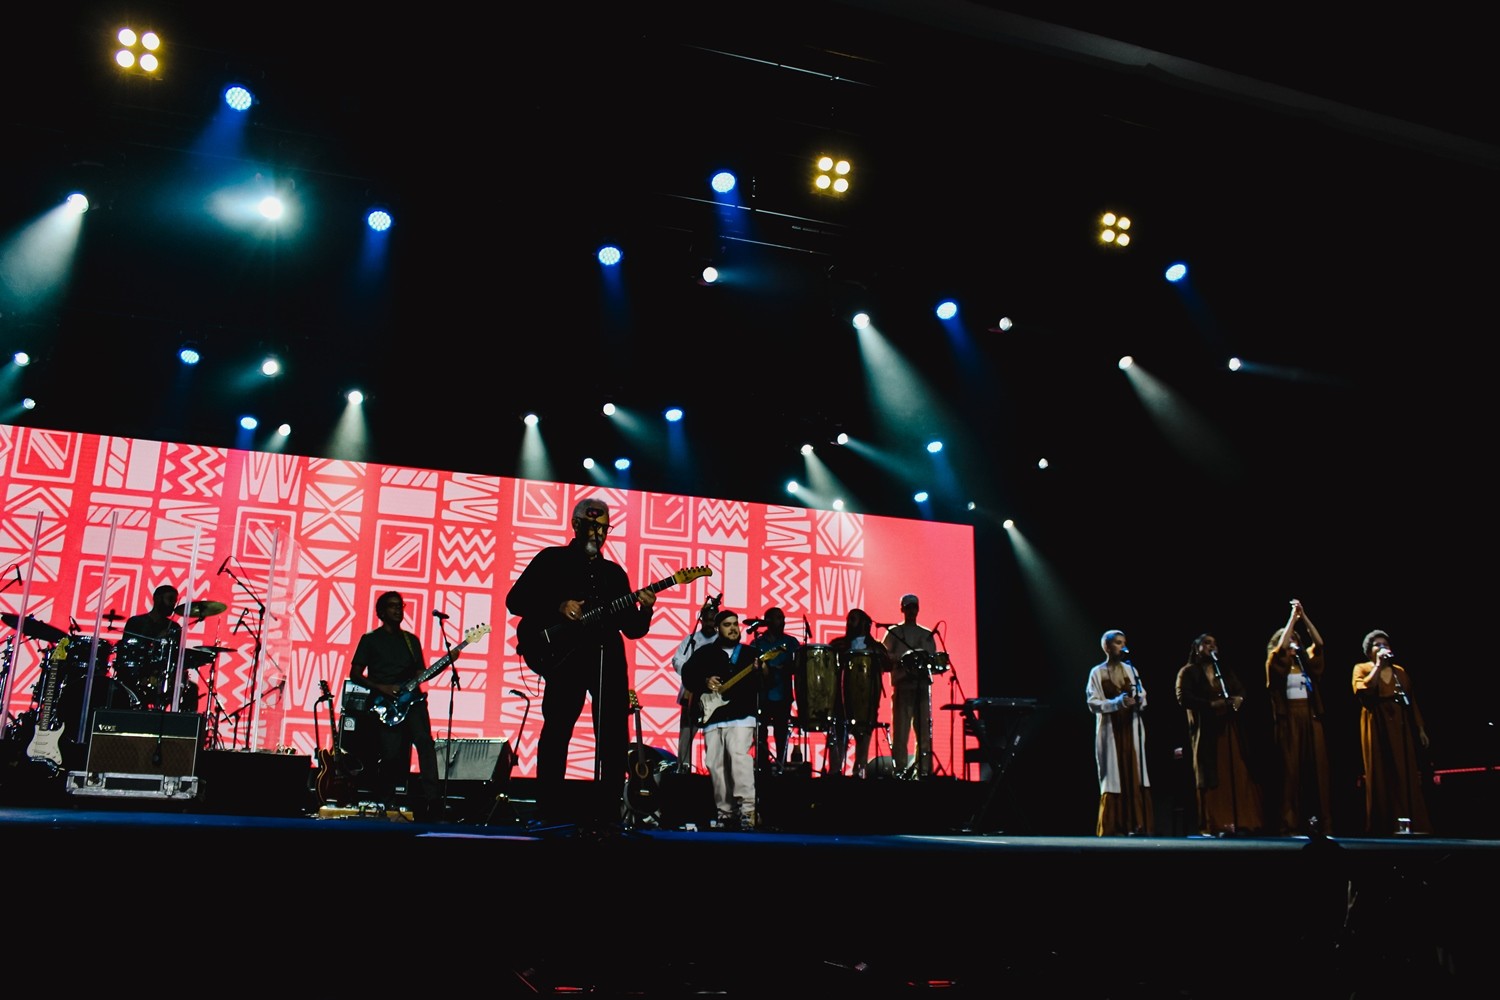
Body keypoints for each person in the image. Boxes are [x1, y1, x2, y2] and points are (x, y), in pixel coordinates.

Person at [505, 497, 657, 825]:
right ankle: (548, 811)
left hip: (608, 657)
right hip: (567, 659)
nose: (597, 533)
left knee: (615, 737)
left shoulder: (613, 574)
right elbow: (515, 600)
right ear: (575, 525)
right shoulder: (552, 559)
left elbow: (632, 629)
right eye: (591, 525)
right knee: (558, 731)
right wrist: (558, 606)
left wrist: (645, 608)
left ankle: (608, 813)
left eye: (603, 527)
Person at [348, 591, 443, 820]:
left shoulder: (411, 640)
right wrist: (382, 687)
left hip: (414, 703)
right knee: (391, 755)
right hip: (386, 704)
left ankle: (434, 801)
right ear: (381, 612)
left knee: (425, 745)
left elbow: (421, 673)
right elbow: (355, 674)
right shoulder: (370, 640)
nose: (398, 610)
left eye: (400, 606)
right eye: (392, 606)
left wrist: (443, 664)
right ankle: (387, 802)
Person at [1175, 633, 1264, 835]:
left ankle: (1240, 820)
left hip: (1229, 729)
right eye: (1207, 643)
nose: (1212, 647)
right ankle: (1214, 823)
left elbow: (1240, 689)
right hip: (1207, 731)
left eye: (1215, 644)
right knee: (1210, 775)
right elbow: (1183, 697)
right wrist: (1210, 705)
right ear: (1197, 648)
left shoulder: (1222, 670)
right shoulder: (1188, 672)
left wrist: (1239, 698)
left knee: (1235, 771)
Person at [681, 609, 758, 830]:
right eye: (727, 625)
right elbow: (687, 674)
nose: (733, 628)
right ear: (717, 629)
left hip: (742, 715)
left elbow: (762, 684)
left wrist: (761, 672)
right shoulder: (705, 653)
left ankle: (748, 812)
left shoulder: (750, 653)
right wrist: (705, 681)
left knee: (738, 759)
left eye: (735, 624)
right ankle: (725, 814)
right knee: (715, 765)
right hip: (713, 717)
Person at [1352, 630, 1432, 835]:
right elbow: (1363, 690)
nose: (1382, 647)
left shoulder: (1400, 672)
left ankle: (1409, 822)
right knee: (1381, 772)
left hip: (1400, 724)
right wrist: (1378, 666)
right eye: (1377, 645)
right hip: (1376, 723)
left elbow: (1411, 701)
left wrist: (1420, 728)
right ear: (1369, 651)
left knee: (1404, 771)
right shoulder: (1362, 668)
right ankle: (1382, 825)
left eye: (1385, 644)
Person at [1265, 599, 1332, 835]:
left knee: (1316, 770)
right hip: (1290, 719)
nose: (1293, 642)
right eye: (1289, 638)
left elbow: (1319, 644)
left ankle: (1318, 821)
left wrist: (1304, 617)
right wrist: (1292, 620)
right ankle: (1288, 822)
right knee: (1290, 771)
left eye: (1295, 639)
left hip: (1310, 717)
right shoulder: (1276, 663)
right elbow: (1279, 652)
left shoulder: (1305, 664)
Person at [1086, 629, 1152, 835]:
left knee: (1135, 771)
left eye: (1123, 642)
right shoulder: (1097, 672)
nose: (1121, 646)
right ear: (1106, 646)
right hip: (1110, 729)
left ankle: (1137, 824)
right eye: (1116, 642)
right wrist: (1117, 703)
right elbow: (1092, 703)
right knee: (1113, 775)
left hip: (1131, 727)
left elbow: (1142, 694)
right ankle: (1114, 826)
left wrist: (1138, 700)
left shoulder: (1131, 669)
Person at [827, 608, 890, 777]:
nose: (849, 623)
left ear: (864, 623)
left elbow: (889, 664)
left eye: (853, 619)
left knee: (864, 732)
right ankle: (835, 771)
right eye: (848, 619)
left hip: (867, 696)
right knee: (839, 730)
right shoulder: (838, 644)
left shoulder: (876, 647)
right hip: (842, 697)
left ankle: (859, 770)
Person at [882, 593, 937, 779]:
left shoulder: (926, 634)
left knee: (924, 732)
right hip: (903, 685)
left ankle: (923, 771)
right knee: (901, 731)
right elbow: (884, 657)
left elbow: (933, 661)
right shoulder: (894, 632)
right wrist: (900, 659)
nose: (912, 610)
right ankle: (900, 771)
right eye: (908, 607)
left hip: (921, 686)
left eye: (914, 607)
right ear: (902, 609)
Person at [670, 593, 721, 774]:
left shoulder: (720, 642)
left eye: (712, 621)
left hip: (714, 694)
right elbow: (677, 660)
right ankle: (683, 768)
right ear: (701, 621)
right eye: (706, 620)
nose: (709, 624)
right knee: (686, 732)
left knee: (714, 734)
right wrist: (694, 672)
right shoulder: (691, 640)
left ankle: (714, 771)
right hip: (691, 691)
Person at [118, 584, 188, 710]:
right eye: (170, 599)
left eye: (175, 601)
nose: (173, 605)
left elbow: (175, 656)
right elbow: (128, 651)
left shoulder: (174, 627)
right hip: (138, 672)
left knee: (190, 689)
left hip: (162, 674)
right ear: (157, 598)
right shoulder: (136, 622)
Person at [748, 606, 799, 774]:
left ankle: (781, 765)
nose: (782, 622)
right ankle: (762, 766)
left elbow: (798, 666)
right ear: (768, 621)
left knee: (781, 731)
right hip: (762, 694)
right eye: (778, 618)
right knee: (760, 731)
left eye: (783, 618)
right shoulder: (757, 643)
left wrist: (782, 668)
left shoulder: (791, 643)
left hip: (782, 693)